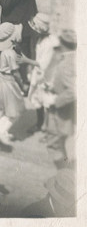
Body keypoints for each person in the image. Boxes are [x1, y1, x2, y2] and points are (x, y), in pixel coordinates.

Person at [16, 13, 60, 133]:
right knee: (37, 98)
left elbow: (43, 64)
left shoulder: (50, 43)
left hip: (48, 76)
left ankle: (50, 128)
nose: (33, 30)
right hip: (40, 75)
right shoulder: (41, 39)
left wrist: (26, 60)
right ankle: (40, 124)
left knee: (48, 101)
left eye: (35, 27)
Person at [43, 29, 76, 169]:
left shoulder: (66, 65)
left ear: (62, 43)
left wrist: (55, 101)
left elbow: (74, 90)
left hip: (62, 112)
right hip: (65, 110)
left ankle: (64, 177)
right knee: (60, 143)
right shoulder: (71, 58)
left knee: (54, 145)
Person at [0, 22, 26, 147]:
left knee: (5, 110)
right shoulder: (10, 54)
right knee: (15, 111)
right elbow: (16, 73)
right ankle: (2, 132)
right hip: (8, 83)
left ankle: (2, 131)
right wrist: (22, 85)